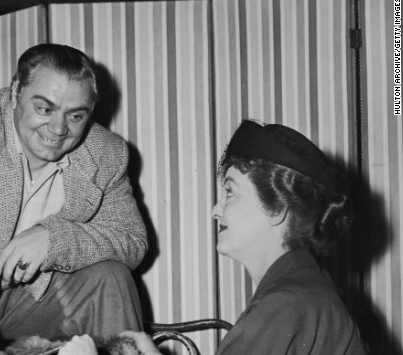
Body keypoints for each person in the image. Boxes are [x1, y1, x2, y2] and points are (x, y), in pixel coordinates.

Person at [0, 43, 148, 354]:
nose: (58, 128)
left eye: (76, 115)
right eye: (45, 108)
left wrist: (53, 239)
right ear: (15, 91)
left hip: (27, 301)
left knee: (110, 277)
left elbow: (133, 241)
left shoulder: (106, 152)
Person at [104, 120, 367, 355]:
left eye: (230, 192)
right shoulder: (301, 289)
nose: (216, 210)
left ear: (277, 209)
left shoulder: (284, 302)